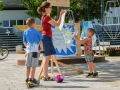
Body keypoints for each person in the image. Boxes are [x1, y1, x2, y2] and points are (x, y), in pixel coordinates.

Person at [37, 1, 66, 81]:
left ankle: (44, 75)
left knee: (46, 57)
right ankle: (45, 76)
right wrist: (61, 15)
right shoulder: (46, 17)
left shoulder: (44, 16)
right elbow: (57, 24)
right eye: (50, 7)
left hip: (45, 37)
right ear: (46, 8)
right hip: (46, 37)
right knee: (47, 57)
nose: (51, 8)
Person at [23, 18, 43, 84]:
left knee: (28, 66)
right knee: (33, 66)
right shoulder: (37, 32)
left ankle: (27, 78)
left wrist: (27, 47)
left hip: (28, 51)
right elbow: (40, 41)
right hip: (35, 51)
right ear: (33, 24)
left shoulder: (25, 32)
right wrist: (42, 49)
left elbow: (24, 42)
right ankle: (32, 79)